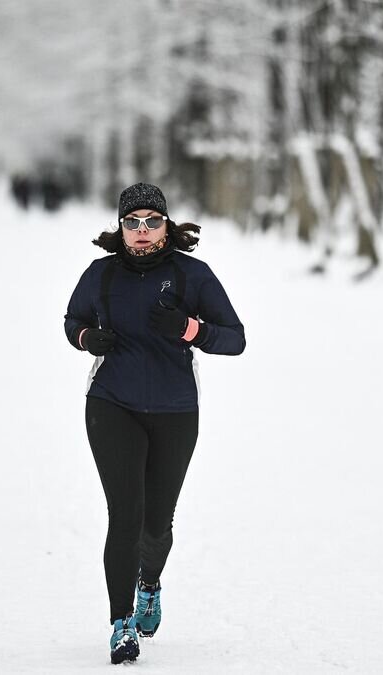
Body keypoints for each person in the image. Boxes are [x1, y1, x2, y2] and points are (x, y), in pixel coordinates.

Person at [63, 183, 246, 664]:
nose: (142, 232)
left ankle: (150, 583)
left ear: (167, 225)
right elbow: (71, 321)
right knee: (125, 516)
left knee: (156, 523)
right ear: (119, 227)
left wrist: (190, 329)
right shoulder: (100, 275)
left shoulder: (193, 276)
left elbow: (235, 339)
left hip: (175, 410)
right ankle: (121, 624)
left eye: (152, 222)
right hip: (111, 404)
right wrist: (87, 338)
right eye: (132, 223)